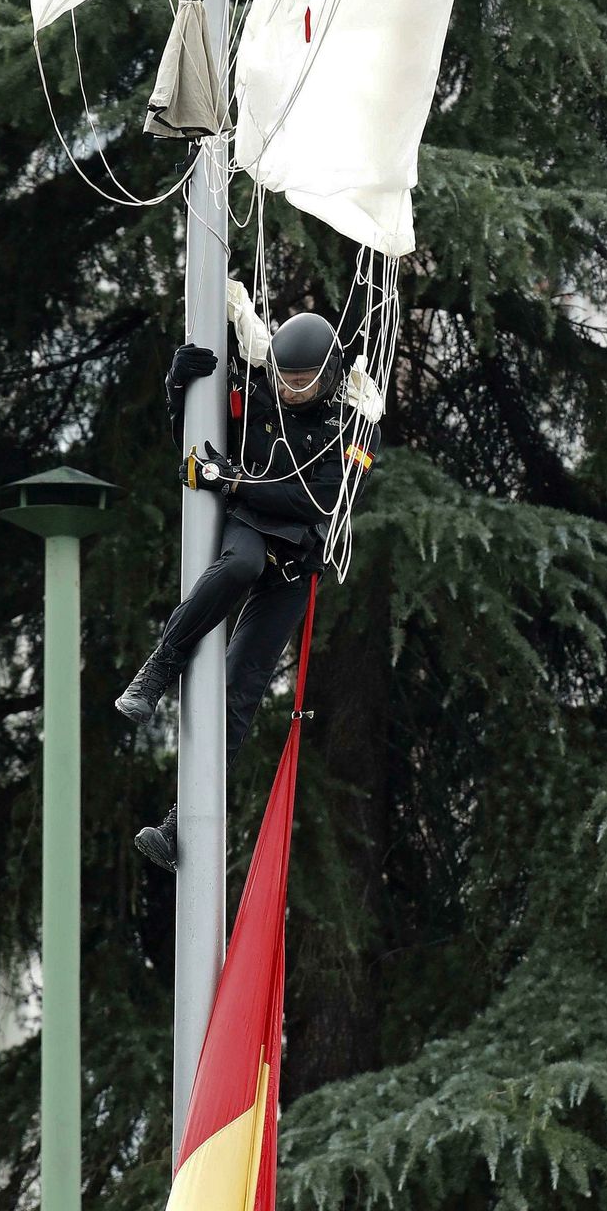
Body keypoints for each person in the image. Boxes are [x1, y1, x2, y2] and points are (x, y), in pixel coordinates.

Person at [116, 284, 380, 871]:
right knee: (238, 564)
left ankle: (180, 822)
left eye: (305, 379)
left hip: (298, 545)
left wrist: (232, 481)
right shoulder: (258, 395)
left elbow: (319, 498)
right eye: (285, 376)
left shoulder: (354, 424)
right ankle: (158, 671)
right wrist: (179, 388)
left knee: (241, 690)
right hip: (252, 526)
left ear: (330, 375)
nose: (292, 388)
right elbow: (195, 453)